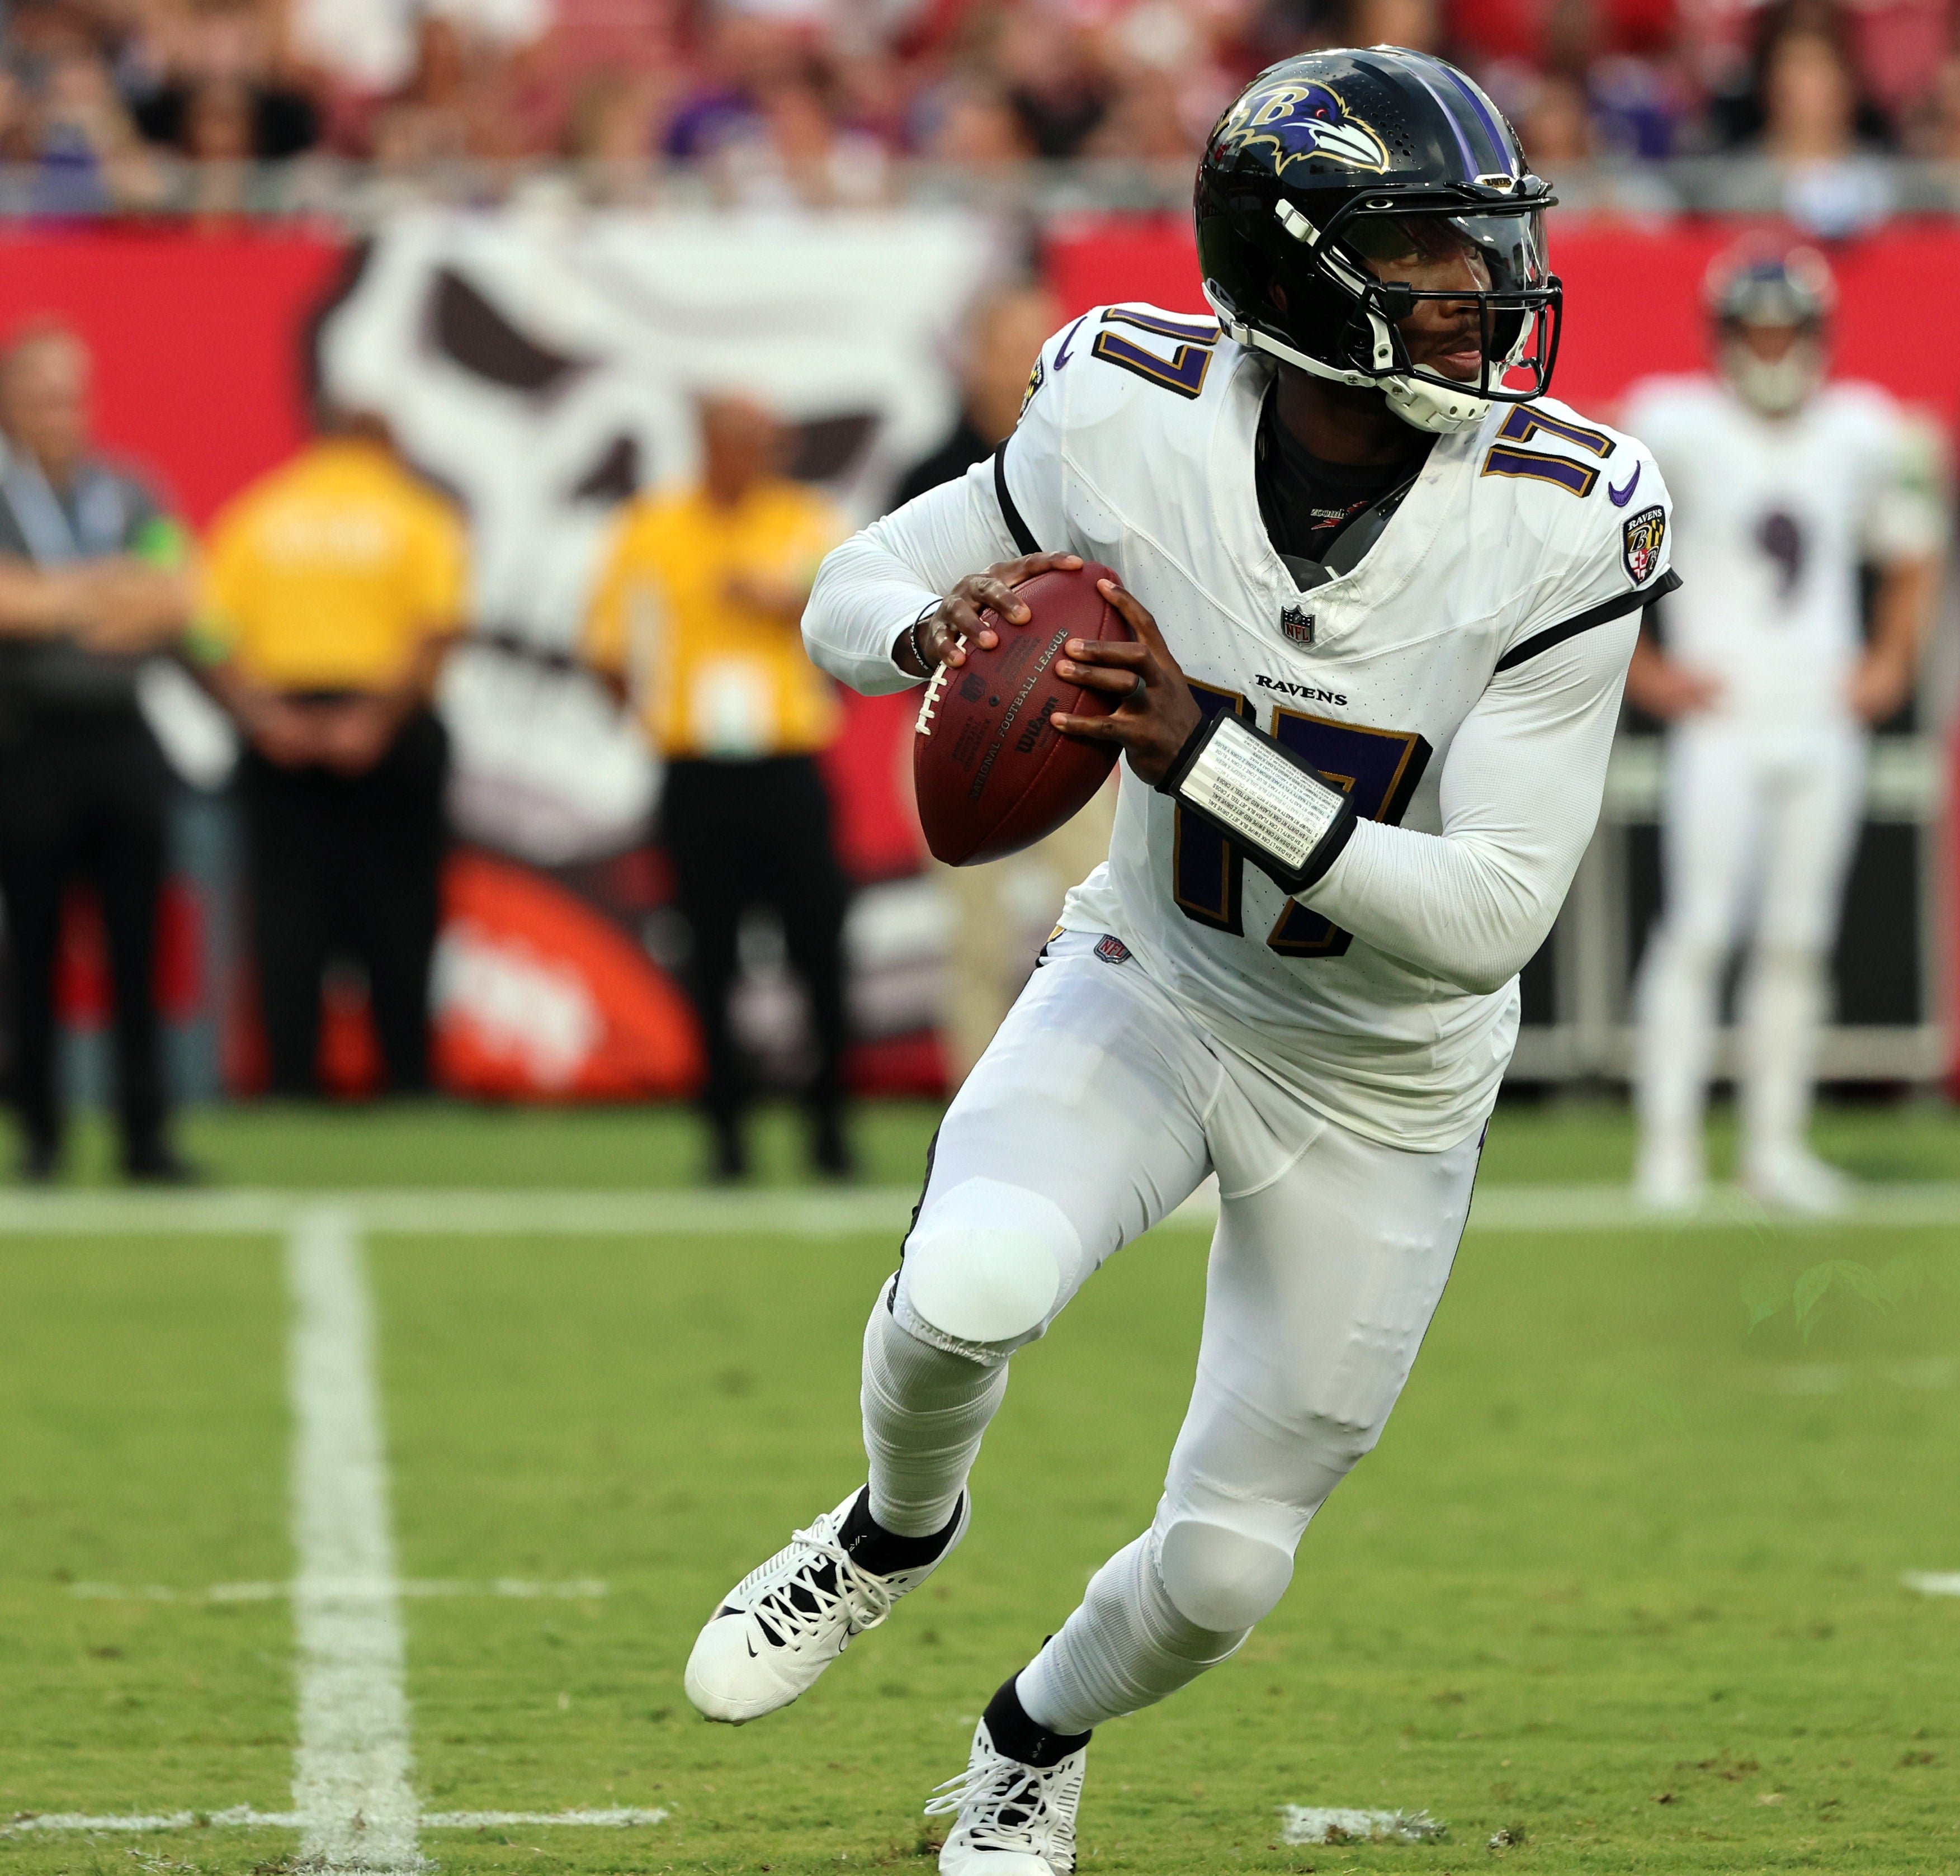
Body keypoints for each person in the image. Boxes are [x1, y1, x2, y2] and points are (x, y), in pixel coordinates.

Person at [682, 48, 1674, 1875]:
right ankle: (891, 1535)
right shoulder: (1122, 407)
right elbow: (844, 589)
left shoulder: (1563, 512)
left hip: (1382, 1081)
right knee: (970, 1279)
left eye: (1482, 245)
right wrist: (937, 626)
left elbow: (1491, 918)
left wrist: (1198, 746)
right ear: (1300, 275)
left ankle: (1024, 1736)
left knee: (1219, 1573)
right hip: (1159, 973)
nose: (1484, 290)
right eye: (1428, 252)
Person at [1621, 244, 1944, 1215]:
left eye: (1785, 329)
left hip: (1816, 718)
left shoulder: (1859, 430)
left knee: (1798, 939)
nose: (1770, 348)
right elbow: (1587, 551)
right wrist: (1644, 671)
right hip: (1719, 720)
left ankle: (1773, 1145)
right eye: (1755, 329)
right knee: (1699, 930)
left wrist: (1889, 660)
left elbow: (1914, 551)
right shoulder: (1669, 421)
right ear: (1723, 338)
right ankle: (1668, 1147)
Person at [583, 392, 853, 1182]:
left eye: (763, 442)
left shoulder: (806, 522)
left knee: (819, 948)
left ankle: (829, 1128)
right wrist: (649, 716)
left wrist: (786, 605)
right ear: (705, 442)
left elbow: (847, 622)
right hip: (696, 770)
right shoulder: (651, 527)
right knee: (709, 955)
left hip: (785, 761)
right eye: (737, 440)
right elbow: (604, 641)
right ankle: (727, 1135)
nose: (752, 455)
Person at [194, 409, 466, 1102]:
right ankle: (407, 1077)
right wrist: (373, 720)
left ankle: (290, 1078)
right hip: (388, 724)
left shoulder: (262, 511)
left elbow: (205, 632)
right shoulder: (416, 514)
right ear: (386, 443)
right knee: (401, 912)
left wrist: (265, 717)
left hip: (281, 721)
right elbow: (437, 629)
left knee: (287, 914)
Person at [889, 284, 1121, 1082]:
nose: (1025, 362)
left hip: (1084, 726)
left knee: (1112, 925)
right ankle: (974, 1118)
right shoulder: (928, 471)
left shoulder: (1088, 465)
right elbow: (889, 604)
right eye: (1008, 342)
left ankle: (1115, 1107)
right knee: (975, 938)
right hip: (958, 725)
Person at [0, 323, 199, 1183]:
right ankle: (41, 1133)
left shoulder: (131, 489)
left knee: (136, 946)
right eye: (41, 392)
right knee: (32, 948)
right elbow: (10, 611)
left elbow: (177, 598)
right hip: (27, 739)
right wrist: (102, 586)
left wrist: (58, 596)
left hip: (124, 740)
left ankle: (144, 1134)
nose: (59, 410)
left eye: (70, 392)